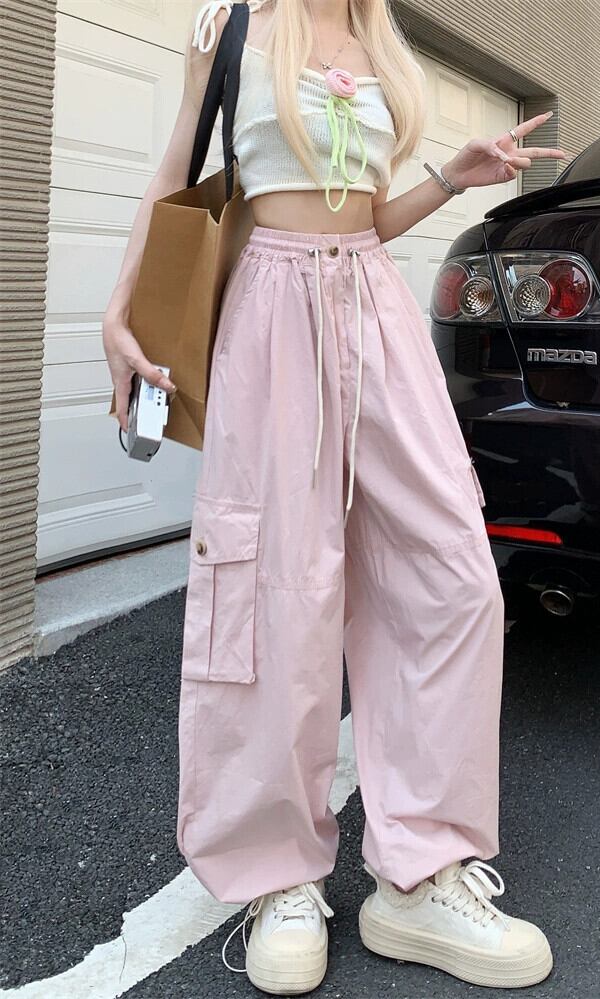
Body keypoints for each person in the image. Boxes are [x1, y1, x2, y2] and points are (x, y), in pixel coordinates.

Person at [103, 0, 568, 993]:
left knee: (452, 575)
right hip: (271, 312)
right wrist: (118, 309)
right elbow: (175, 174)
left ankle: (420, 876)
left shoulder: (381, 42)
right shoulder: (230, 26)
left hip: (374, 310)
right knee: (278, 590)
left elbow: (368, 216)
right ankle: (278, 874)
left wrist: (450, 177)